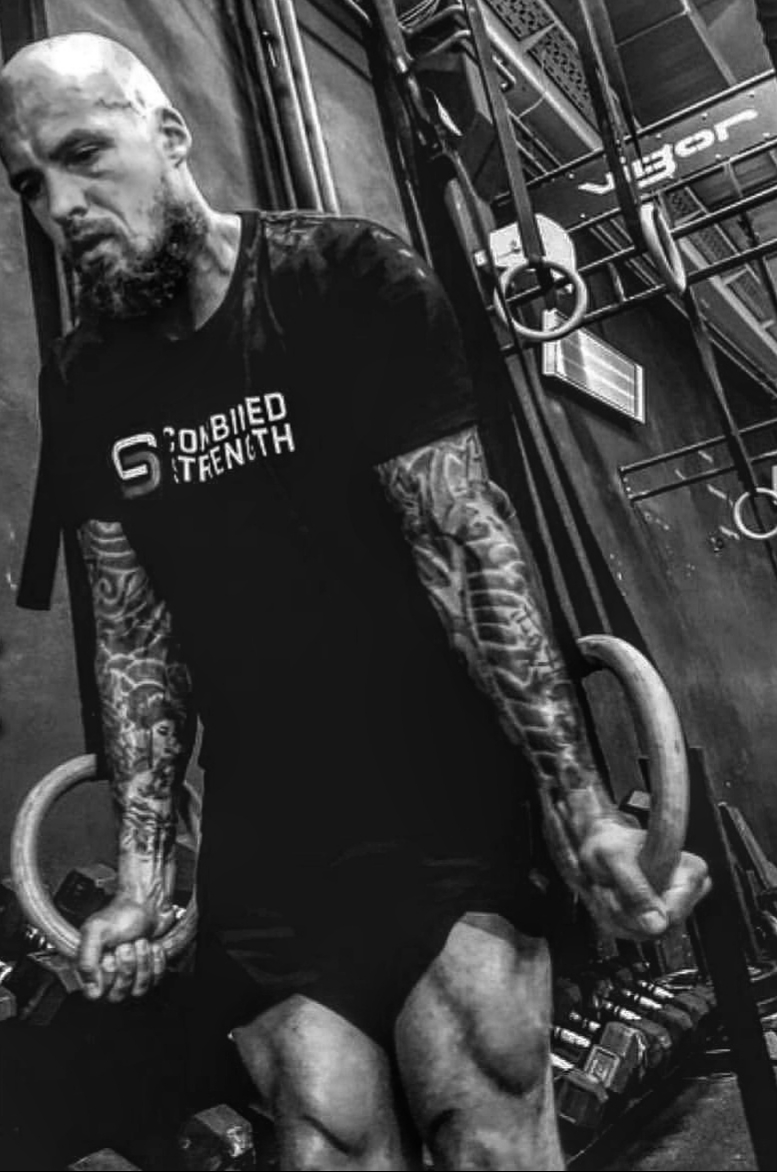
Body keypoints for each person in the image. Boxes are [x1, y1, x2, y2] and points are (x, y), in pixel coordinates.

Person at [0, 32, 709, 1171]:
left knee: (480, 1112)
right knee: (325, 1139)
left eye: (84, 154)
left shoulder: (344, 278)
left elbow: (464, 548)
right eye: (31, 185)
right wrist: (142, 875)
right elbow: (135, 639)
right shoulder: (86, 379)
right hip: (271, 828)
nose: (63, 204)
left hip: (439, 788)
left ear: (169, 134)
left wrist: (577, 804)